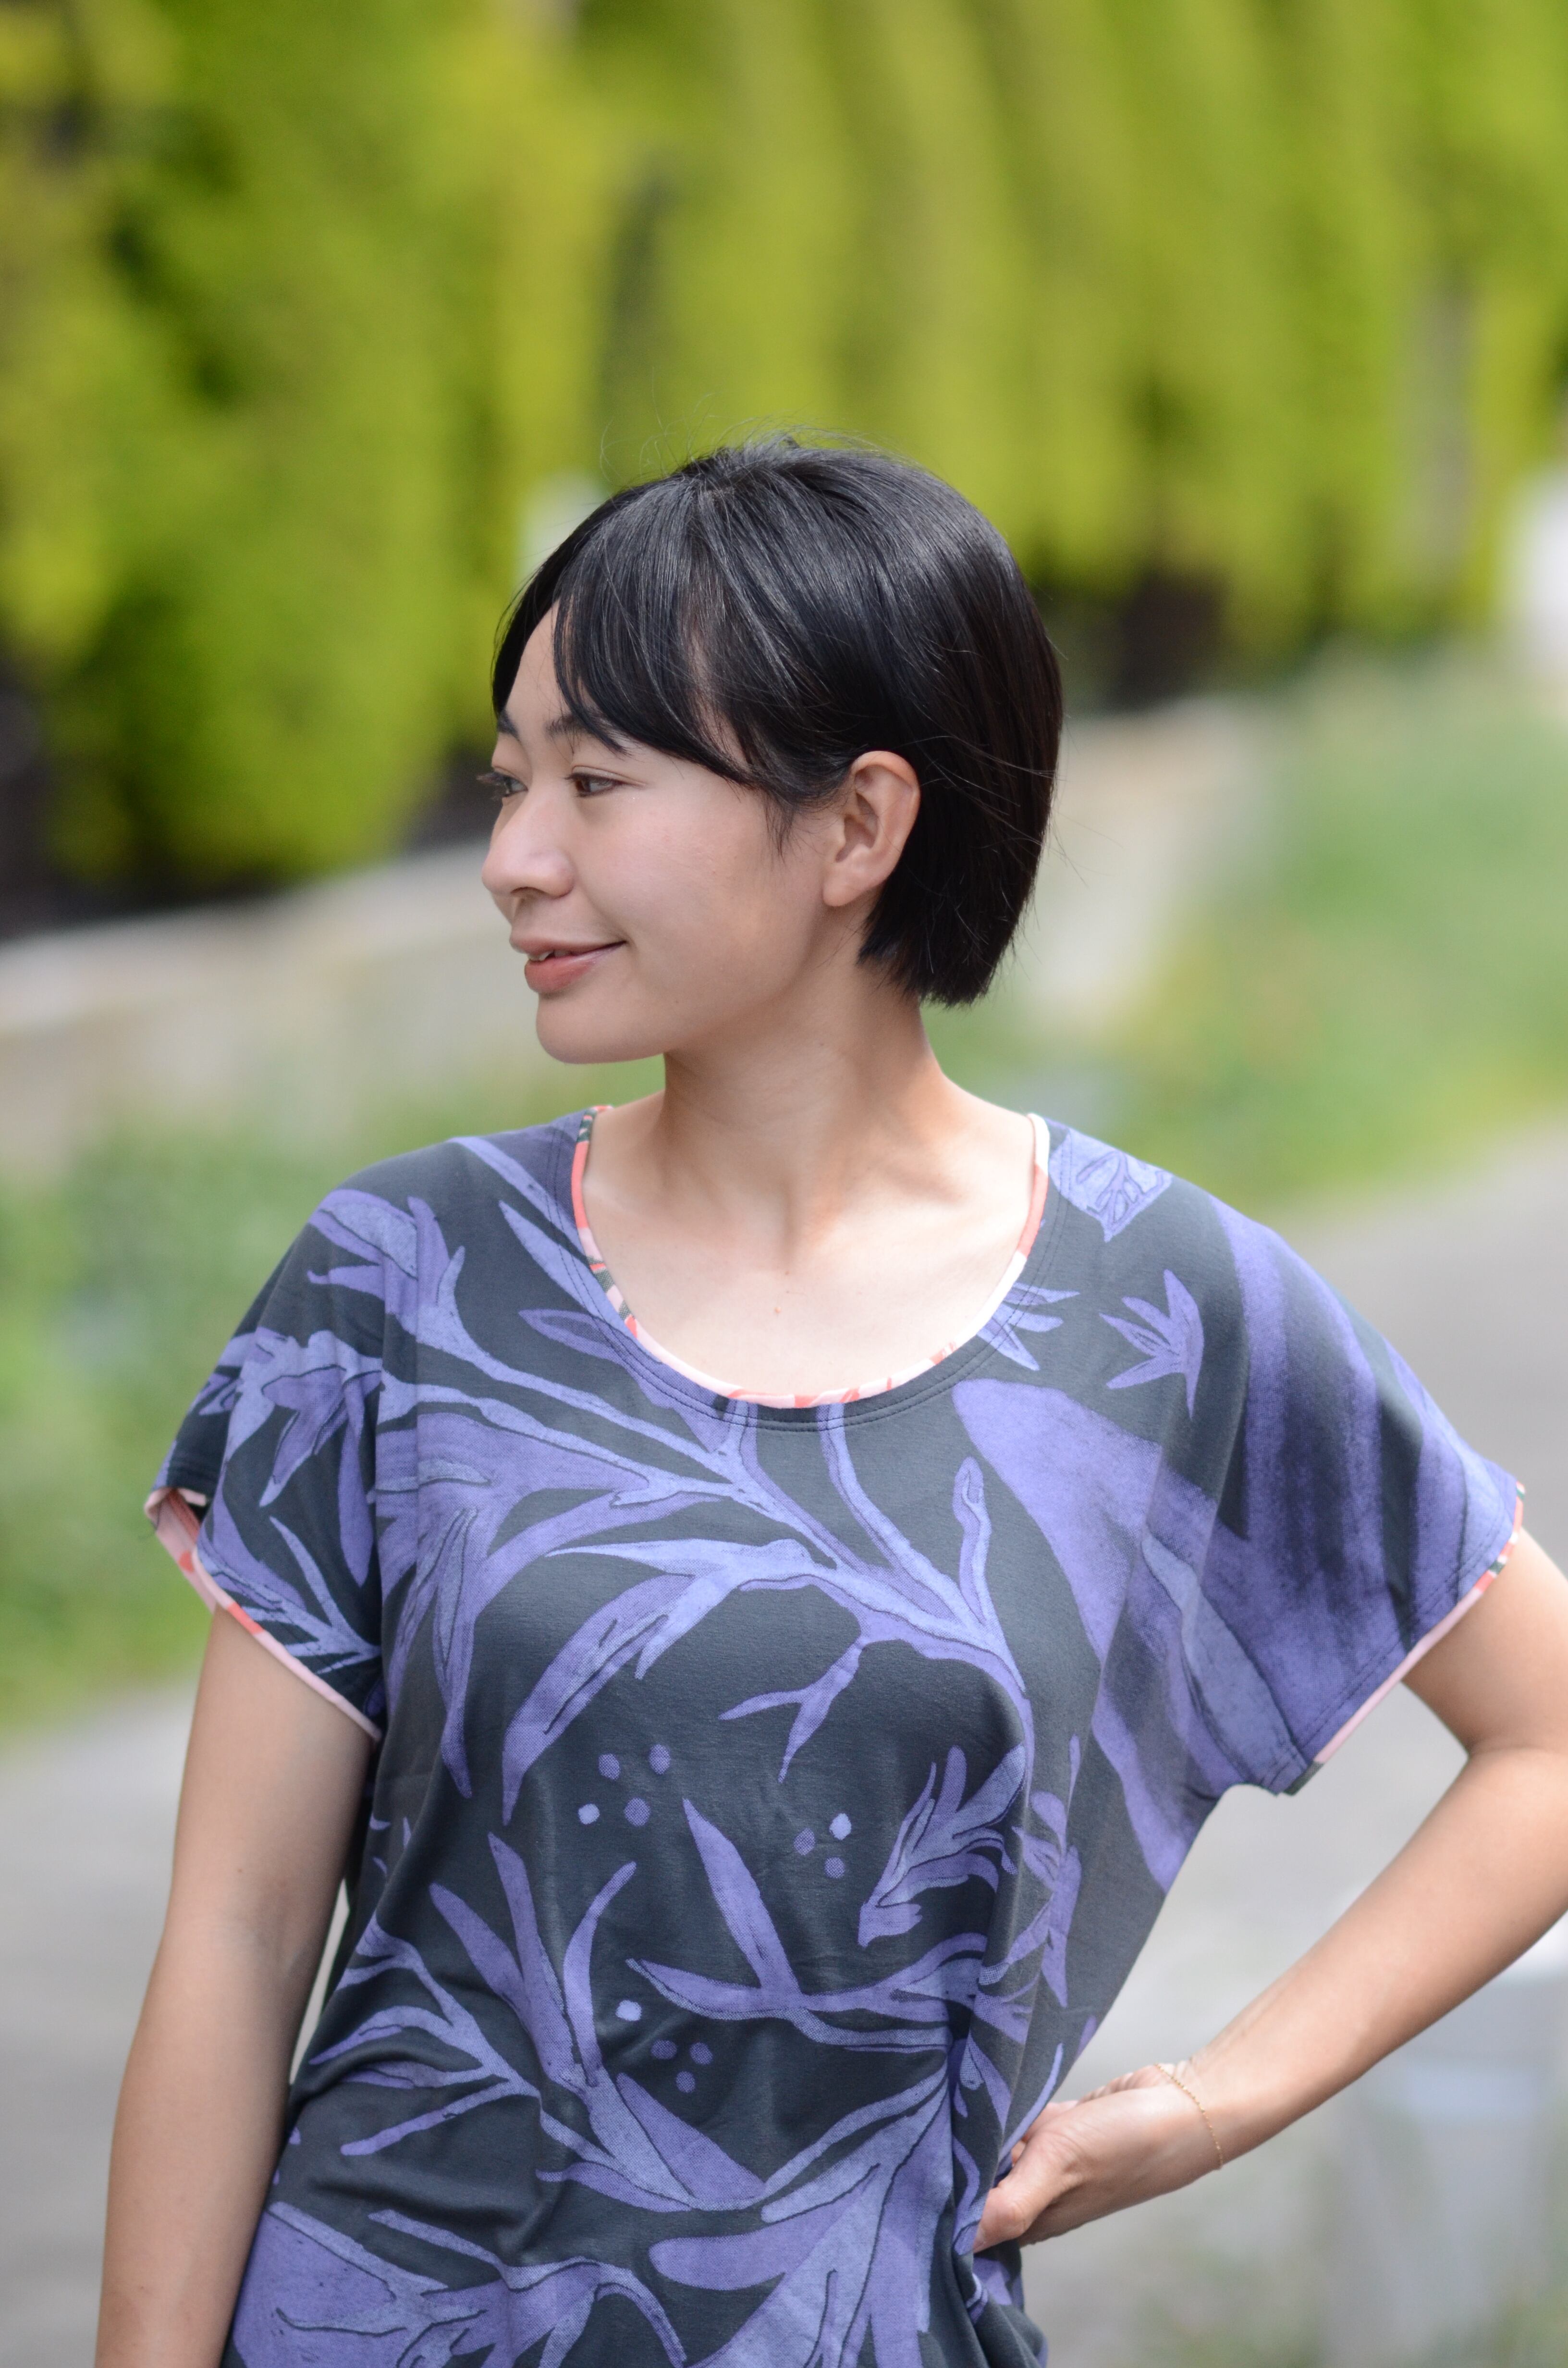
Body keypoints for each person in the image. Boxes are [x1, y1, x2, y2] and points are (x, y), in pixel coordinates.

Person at [98, 440, 1568, 2368]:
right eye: (511, 780)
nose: (514, 856)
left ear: (859, 822)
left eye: (596, 783)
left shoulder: (1160, 1315)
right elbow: (238, 1935)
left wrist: (1215, 2102)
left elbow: (1549, 1739)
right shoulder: (405, 1278)